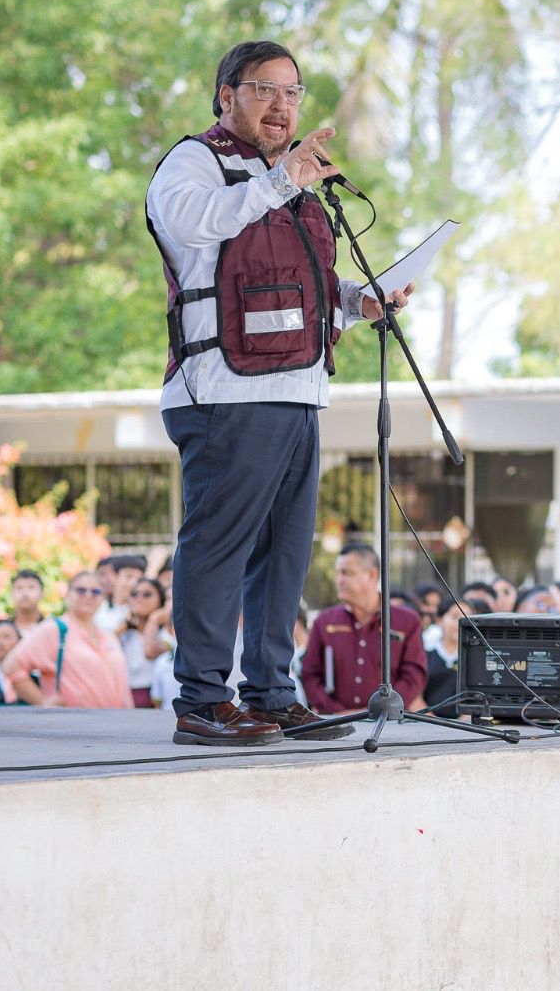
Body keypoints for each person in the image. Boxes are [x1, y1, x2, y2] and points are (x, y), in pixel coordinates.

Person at [147, 39, 410, 746]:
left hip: (299, 392)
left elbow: (301, 292)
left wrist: (360, 305)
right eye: (265, 89)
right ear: (225, 94)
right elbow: (193, 224)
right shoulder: (194, 162)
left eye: (293, 93)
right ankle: (202, 700)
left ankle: (270, 693)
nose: (282, 105)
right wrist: (281, 180)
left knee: (286, 554)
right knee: (219, 547)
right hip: (225, 392)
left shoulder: (291, 183)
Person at [300, 545, 425, 721]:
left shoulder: (407, 621)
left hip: (391, 723)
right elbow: (310, 674)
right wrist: (336, 712)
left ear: (372, 575)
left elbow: (414, 675)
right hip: (336, 724)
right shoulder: (324, 621)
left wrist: (385, 709)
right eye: (338, 573)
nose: (339, 580)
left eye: (347, 573)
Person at [4, 572, 133, 709]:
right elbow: (12, 667)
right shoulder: (54, 629)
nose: (88, 596)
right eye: (81, 590)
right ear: (68, 594)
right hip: (71, 724)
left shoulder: (108, 636)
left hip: (114, 723)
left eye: (95, 591)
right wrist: (42, 702)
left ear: (103, 597)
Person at [118, 578, 173, 708]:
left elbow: (150, 652)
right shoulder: (124, 632)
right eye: (134, 594)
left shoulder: (167, 633)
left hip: (153, 701)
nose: (139, 598)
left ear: (160, 600)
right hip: (123, 700)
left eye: (147, 594)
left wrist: (154, 620)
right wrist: (125, 624)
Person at [420, 594, 464, 718]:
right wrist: (431, 719)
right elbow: (415, 696)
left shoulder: (476, 660)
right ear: (439, 620)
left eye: (467, 617)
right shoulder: (426, 654)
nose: (461, 622)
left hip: (465, 725)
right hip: (427, 723)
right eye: (455, 616)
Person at [95, 554, 146, 636]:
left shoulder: (140, 612)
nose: (134, 583)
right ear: (114, 577)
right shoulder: (98, 607)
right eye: (129, 577)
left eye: (139, 579)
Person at [8, 569, 48, 641]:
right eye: (19, 588)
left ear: (42, 594)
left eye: (31, 587)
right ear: (11, 593)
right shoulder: (2, 630)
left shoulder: (50, 627)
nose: (25, 593)